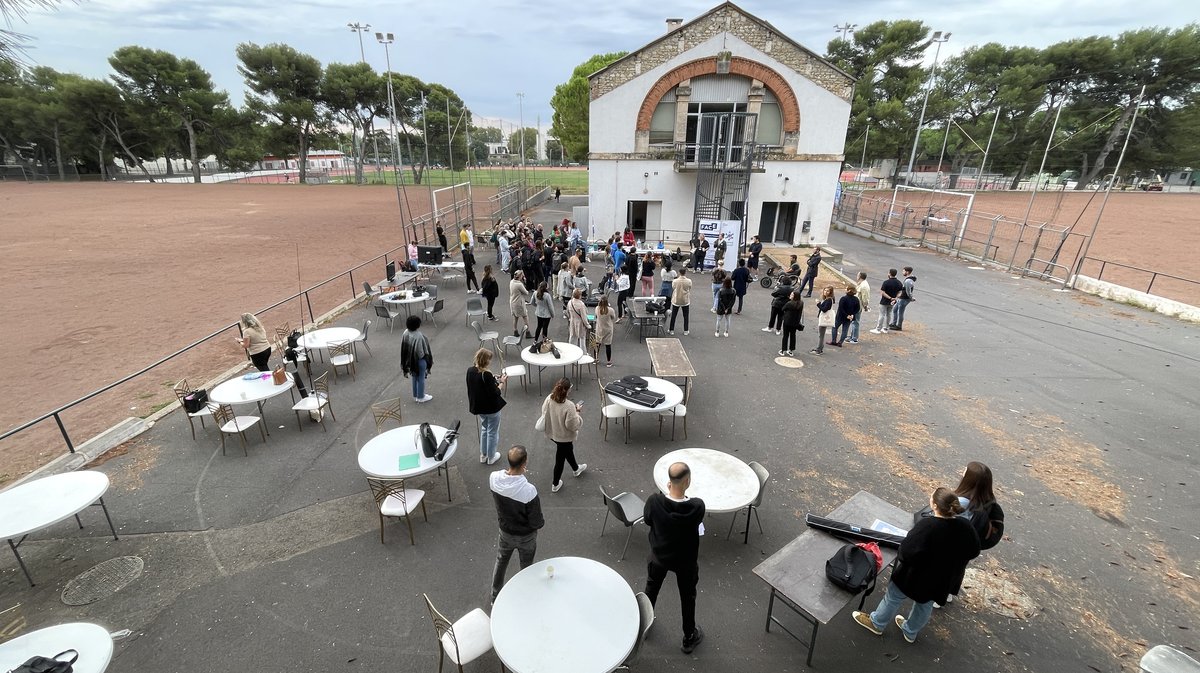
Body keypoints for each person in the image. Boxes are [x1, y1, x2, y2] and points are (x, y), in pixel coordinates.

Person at [852, 487, 980, 643]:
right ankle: (910, 631)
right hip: (942, 579)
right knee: (925, 605)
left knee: (893, 597)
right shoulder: (965, 525)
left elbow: (905, 551)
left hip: (914, 575)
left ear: (934, 506)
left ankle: (877, 623)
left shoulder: (928, 525)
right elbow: (973, 551)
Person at [644, 461, 706, 654]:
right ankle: (689, 636)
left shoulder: (654, 502)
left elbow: (647, 520)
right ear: (687, 481)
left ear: (669, 482)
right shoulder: (696, 507)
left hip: (659, 557)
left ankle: (643, 623)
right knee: (687, 599)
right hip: (685, 562)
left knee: (651, 589)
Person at [490, 445, 545, 603]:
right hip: (526, 537)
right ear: (524, 463)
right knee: (526, 567)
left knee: (501, 561)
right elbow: (536, 521)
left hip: (505, 532)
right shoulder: (528, 490)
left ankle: (495, 596)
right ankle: (525, 597)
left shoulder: (494, 479)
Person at [945, 462, 1005, 604]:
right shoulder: (986, 500)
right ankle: (949, 593)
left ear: (969, 479)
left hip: (952, 543)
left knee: (945, 566)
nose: (963, 472)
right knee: (958, 567)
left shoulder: (960, 502)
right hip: (969, 544)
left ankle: (938, 593)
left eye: (965, 471)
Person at [540, 378, 586, 493]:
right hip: (564, 437)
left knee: (567, 451)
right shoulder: (569, 406)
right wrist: (578, 412)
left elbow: (543, 411)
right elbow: (573, 425)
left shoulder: (550, 398)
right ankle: (555, 484)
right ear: (568, 390)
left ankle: (576, 469)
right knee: (560, 459)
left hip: (553, 433)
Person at [466, 348, 507, 465]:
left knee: (484, 429)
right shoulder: (486, 374)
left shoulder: (470, 370)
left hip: (479, 407)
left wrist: (493, 378)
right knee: (493, 432)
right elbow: (496, 393)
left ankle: (483, 455)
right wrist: (501, 382)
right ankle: (491, 456)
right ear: (486, 361)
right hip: (492, 408)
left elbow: (476, 386)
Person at [400, 315, 434, 403]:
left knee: (414, 377)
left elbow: (404, 345)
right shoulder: (418, 336)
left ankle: (416, 395)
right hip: (418, 361)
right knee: (421, 378)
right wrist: (427, 359)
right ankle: (421, 397)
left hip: (410, 360)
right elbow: (420, 352)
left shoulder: (405, 332)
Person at [871, 269, 903, 335]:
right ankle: (886, 328)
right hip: (893, 302)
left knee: (882, 314)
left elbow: (882, 292)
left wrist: (890, 298)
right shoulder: (899, 283)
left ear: (889, 273)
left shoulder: (886, 282)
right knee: (889, 314)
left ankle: (878, 329)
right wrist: (895, 298)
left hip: (884, 301)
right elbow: (900, 292)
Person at [890, 266, 917, 331]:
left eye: (903, 271)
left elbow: (908, 291)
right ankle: (894, 323)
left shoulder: (908, 281)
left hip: (904, 298)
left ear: (907, 272)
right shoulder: (908, 279)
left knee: (900, 312)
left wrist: (911, 298)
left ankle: (899, 326)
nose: (902, 272)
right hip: (902, 297)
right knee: (895, 309)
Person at [509, 270, 533, 339]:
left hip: (512, 302)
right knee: (525, 316)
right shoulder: (519, 284)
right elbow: (526, 292)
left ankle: (515, 331)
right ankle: (528, 332)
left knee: (515, 317)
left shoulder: (511, 282)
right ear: (520, 276)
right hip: (519, 303)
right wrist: (525, 281)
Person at [810, 286, 834, 355]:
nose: (825, 292)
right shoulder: (827, 299)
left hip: (824, 319)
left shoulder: (829, 300)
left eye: (827, 291)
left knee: (821, 335)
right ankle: (820, 348)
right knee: (821, 335)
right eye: (825, 290)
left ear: (830, 292)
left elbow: (824, 309)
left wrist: (818, 303)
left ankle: (819, 349)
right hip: (824, 318)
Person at [669, 267, 692, 336]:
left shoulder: (675, 281)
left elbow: (673, 287)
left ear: (679, 273)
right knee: (686, 316)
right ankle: (686, 330)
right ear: (685, 273)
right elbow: (689, 288)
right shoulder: (689, 281)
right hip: (685, 300)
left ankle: (671, 330)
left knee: (674, 315)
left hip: (676, 299)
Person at [779, 291, 804, 356]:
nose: (790, 295)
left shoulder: (789, 303)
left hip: (787, 321)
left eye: (792, 295)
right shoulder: (801, 303)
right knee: (793, 335)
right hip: (795, 322)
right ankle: (791, 350)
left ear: (794, 296)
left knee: (785, 336)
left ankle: (783, 350)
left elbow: (783, 309)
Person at [594, 296, 615, 367]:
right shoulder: (610, 310)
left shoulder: (597, 309)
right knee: (608, 345)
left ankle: (596, 359)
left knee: (597, 344)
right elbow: (613, 317)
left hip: (599, 328)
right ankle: (608, 361)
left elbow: (596, 316)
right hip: (608, 329)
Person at [850, 271, 870, 343]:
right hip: (855, 305)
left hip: (858, 306)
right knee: (853, 321)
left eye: (857, 275)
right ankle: (852, 336)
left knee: (855, 322)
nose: (856, 276)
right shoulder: (861, 284)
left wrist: (865, 306)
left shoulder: (864, 286)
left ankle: (854, 338)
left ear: (860, 276)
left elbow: (865, 298)